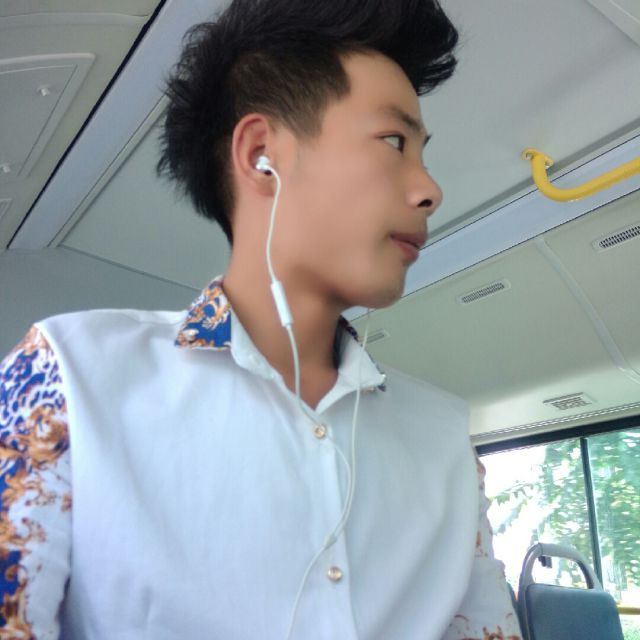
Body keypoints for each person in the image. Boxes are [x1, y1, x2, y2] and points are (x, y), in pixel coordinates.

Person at [0, 0, 522, 638]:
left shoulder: (445, 442)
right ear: (260, 155)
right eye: (394, 142)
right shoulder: (70, 379)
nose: (429, 190)